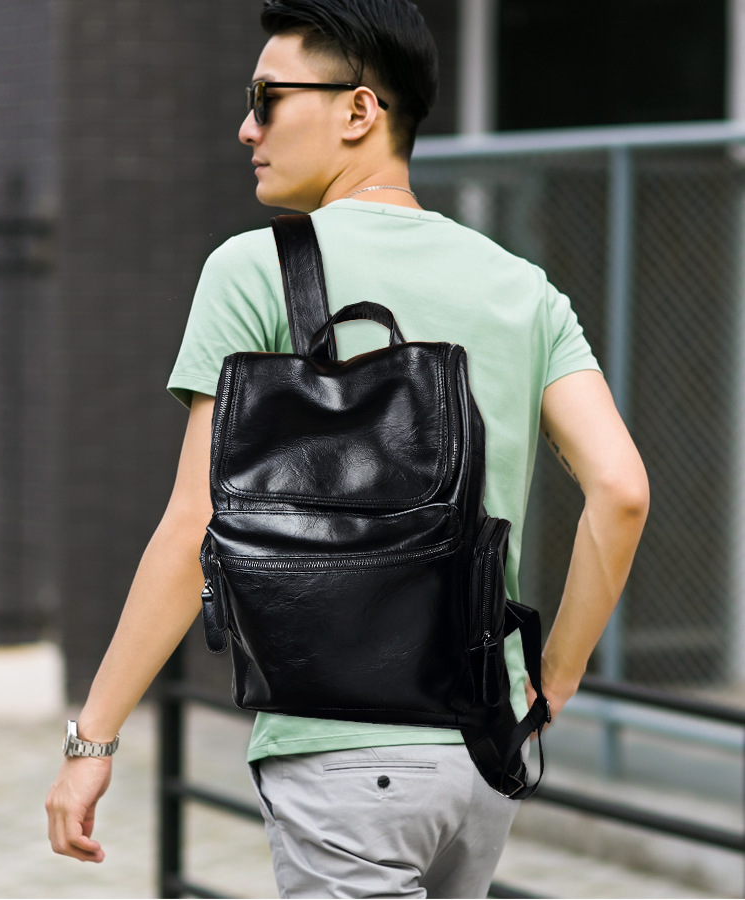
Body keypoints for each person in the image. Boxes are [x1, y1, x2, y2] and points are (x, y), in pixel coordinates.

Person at [46, 1, 650, 896]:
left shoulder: (253, 268)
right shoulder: (524, 289)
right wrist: (552, 680)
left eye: (267, 98)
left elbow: (195, 521)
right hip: (484, 751)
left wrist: (91, 741)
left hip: (340, 749)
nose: (247, 127)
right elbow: (622, 490)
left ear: (360, 110)